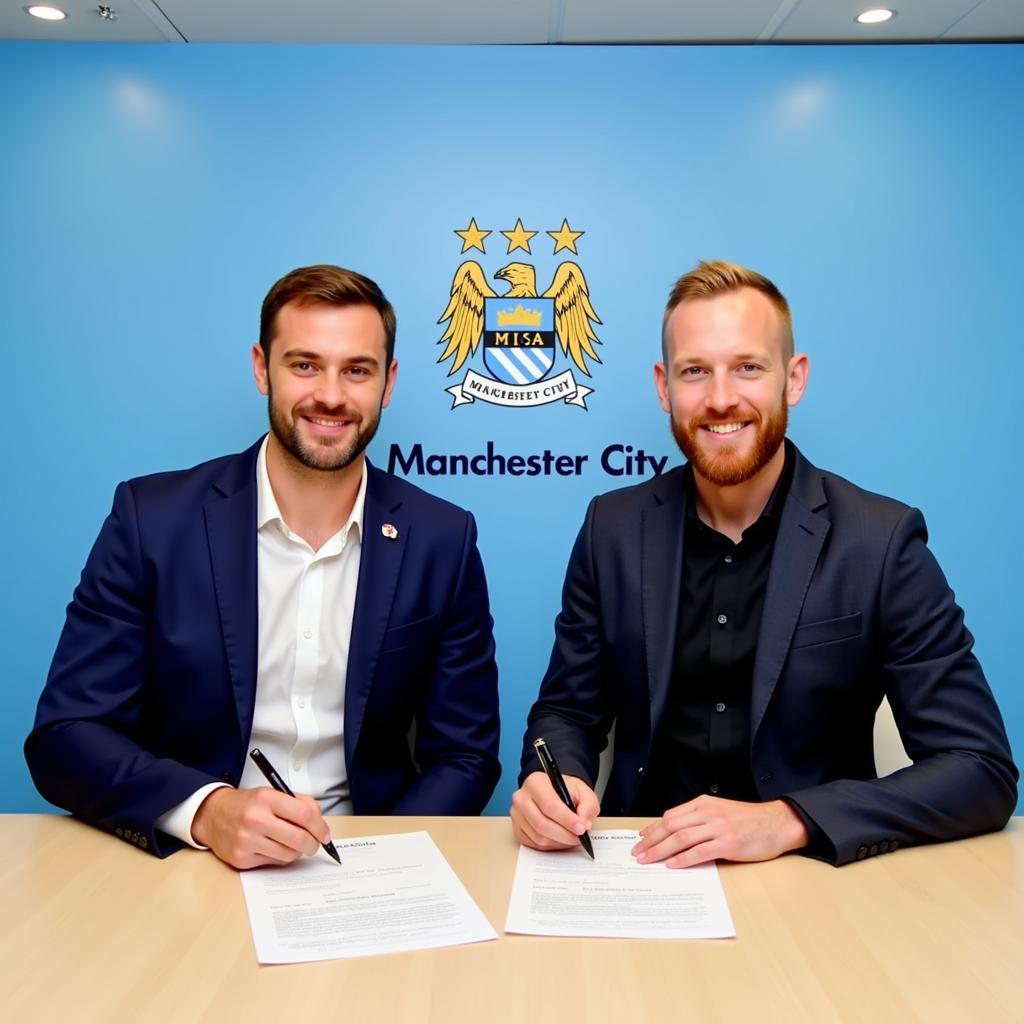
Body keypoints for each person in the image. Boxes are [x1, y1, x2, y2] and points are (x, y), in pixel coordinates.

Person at [511, 260, 1017, 867]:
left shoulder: (880, 542)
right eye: (695, 371)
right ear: (663, 386)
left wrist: (790, 820)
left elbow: (979, 768)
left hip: (812, 880)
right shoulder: (610, 530)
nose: (721, 399)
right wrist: (554, 778)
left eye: (748, 367)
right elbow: (567, 709)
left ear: (793, 379)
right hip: (638, 871)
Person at [27, 264, 501, 868]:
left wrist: (383, 862)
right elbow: (65, 735)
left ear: (389, 383)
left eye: (357, 370)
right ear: (261, 368)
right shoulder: (152, 520)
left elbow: (465, 755)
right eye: (304, 365)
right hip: (191, 863)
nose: (330, 394)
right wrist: (205, 810)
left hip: (366, 868)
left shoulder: (443, 538)